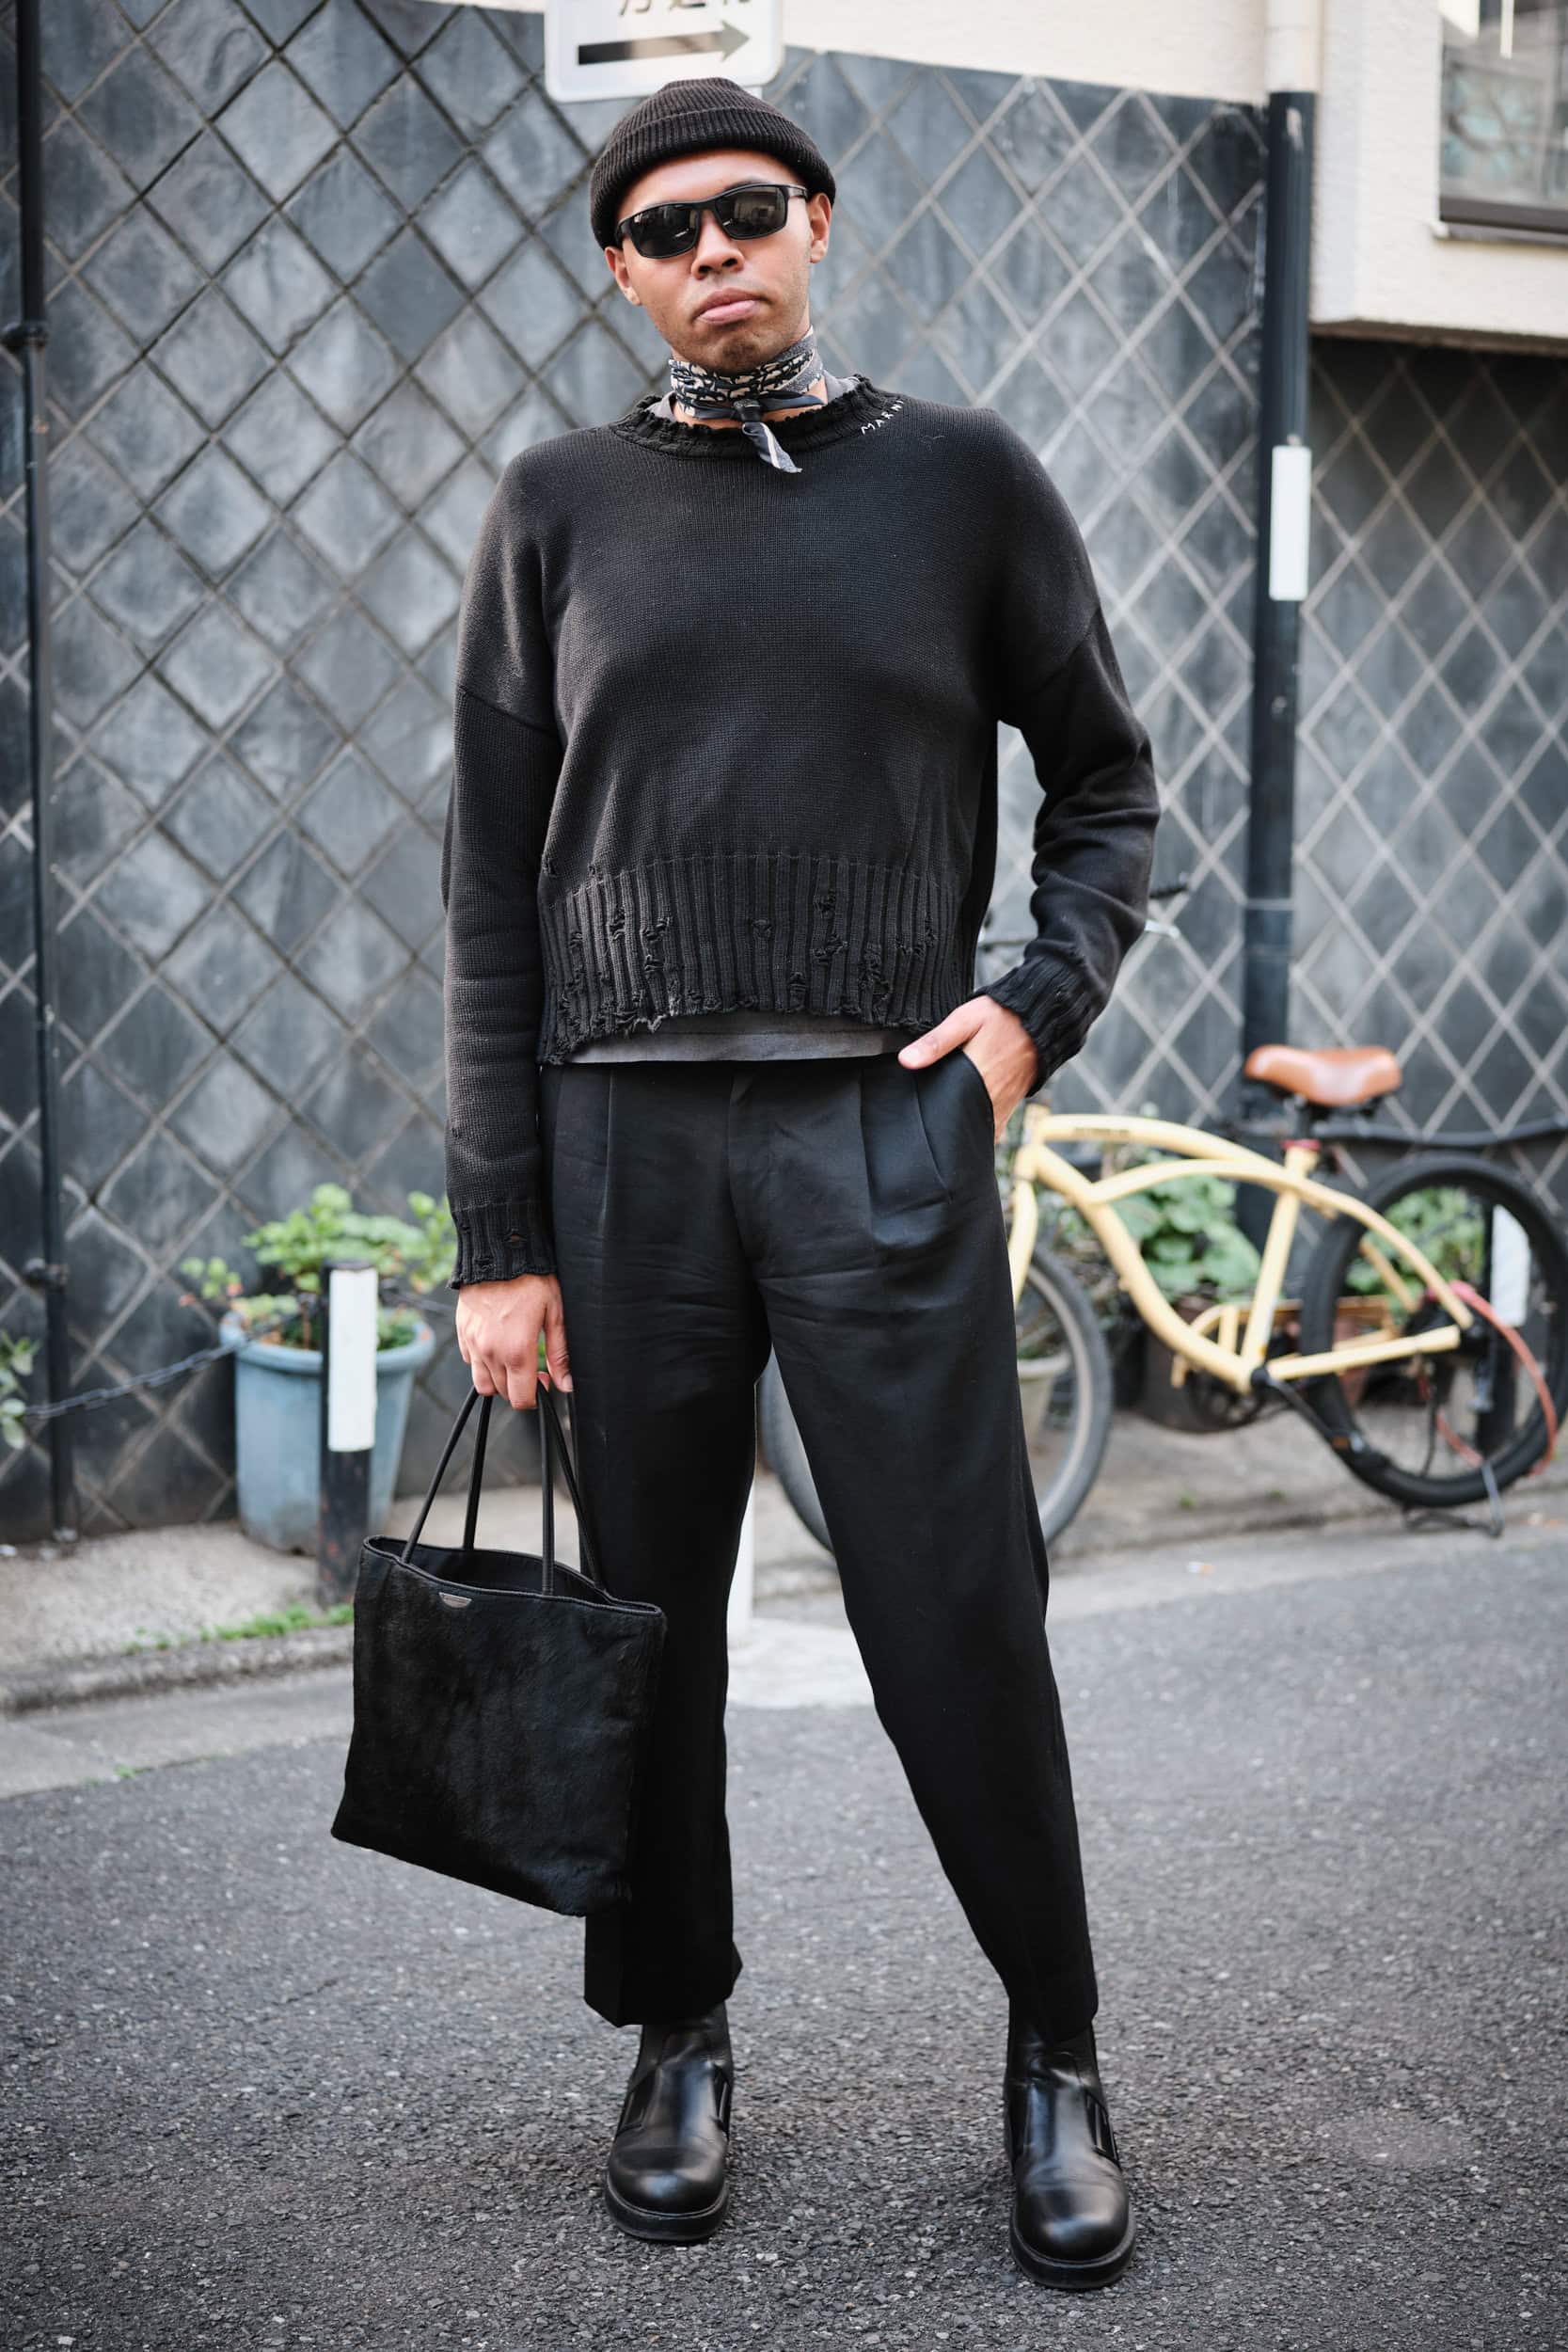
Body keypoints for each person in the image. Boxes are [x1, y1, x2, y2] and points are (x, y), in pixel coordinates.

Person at [441, 74, 1160, 2291]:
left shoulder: (965, 484)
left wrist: (1030, 1012)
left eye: (747, 211)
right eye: (664, 230)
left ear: (817, 220)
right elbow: (487, 889)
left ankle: (1056, 2044)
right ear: (623, 271)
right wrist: (501, 1233)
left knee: (957, 1607)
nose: (713, 253)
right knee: (646, 1614)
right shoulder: (556, 508)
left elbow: (1109, 787)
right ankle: (676, 2031)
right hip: (624, 1141)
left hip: (880, 1116)